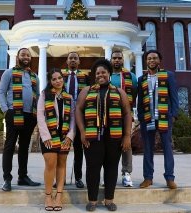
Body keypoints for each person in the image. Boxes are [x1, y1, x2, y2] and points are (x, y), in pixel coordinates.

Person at [76, 59, 132, 212]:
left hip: (114, 137)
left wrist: (127, 135)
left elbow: (127, 113)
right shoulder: (86, 91)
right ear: (94, 75)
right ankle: (92, 200)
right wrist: (82, 131)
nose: (101, 75)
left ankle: (109, 200)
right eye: (98, 73)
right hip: (92, 137)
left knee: (111, 168)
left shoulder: (119, 91)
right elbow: (78, 111)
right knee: (93, 168)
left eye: (104, 72)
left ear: (109, 74)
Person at [0, 48, 41, 191]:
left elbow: (38, 96)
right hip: (13, 113)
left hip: (30, 115)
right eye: (23, 54)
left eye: (28, 55)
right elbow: (1, 92)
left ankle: (22, 176)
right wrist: (6, 110)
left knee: (24, 147)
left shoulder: (35, 76)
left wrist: (38, 115)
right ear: (18, 57)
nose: (26, 57)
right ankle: (7, 179)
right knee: (9, 146)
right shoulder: (9, 73)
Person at [137, 50, 179, 190]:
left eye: (154, 58)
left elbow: (174, 97)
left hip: (164, 118)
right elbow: (140, 102)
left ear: (159, 60)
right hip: (148, 118)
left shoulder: (168, 76)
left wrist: (173, 115)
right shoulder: (141, 79)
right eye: (149, 58)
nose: (151, 60)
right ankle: (148, 178)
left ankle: (170, 178)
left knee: (167, 148)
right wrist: (141, 117)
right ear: (146, 61)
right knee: (148, 149)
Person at [37, 68, 76, 211]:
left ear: (63, 78)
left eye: (59, 78)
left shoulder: (69, 97)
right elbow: (40, 116)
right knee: (50, 164)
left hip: (64, 136)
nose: (58, 81)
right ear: (50, 81)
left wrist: (70, 136)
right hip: (49, 136)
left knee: (62, 165)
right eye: (54, 79)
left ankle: (59, 196)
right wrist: (45, 136)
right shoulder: (44, 95)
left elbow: (73, 118)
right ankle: (48, 196)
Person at [61, 52, 90, 188]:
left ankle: (78, 177)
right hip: (63, 117)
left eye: (75, 58)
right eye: (70, 58)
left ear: (79, 62)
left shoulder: (85, 77)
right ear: (67, 61)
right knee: (61, 149)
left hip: (80, 117)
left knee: (79, 149)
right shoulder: (61, 77)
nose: (73, 60)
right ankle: (61, 178)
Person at [110, 50, 137, 187]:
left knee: (126, 144)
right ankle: (108, 173)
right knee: (108, 145)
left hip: (125, 116)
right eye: (114, 58)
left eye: (119, 58)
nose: (117, 60)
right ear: (111, 60)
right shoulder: (106, 76)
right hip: (108, 116)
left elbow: (134, 95)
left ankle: (126, 173)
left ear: (122, 60)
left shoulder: (131, 76)